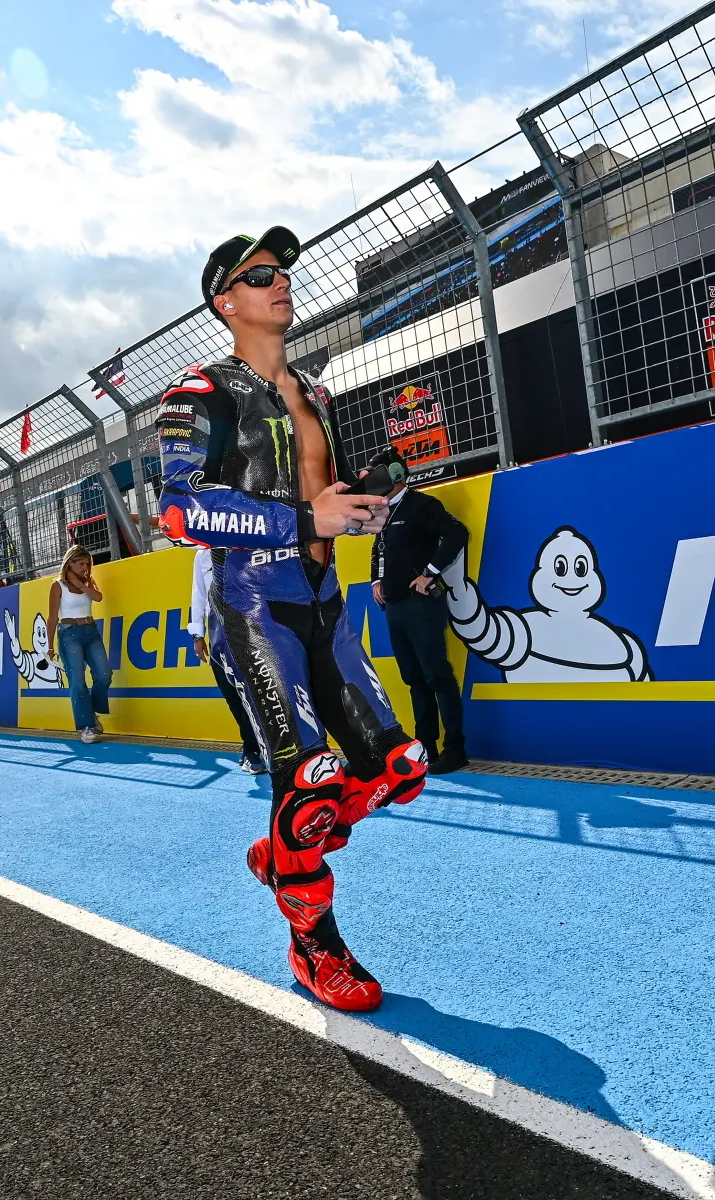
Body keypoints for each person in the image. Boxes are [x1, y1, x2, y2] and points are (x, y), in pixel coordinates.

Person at [157, 226, 427, 1012]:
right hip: (254, 606)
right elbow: (178, 511)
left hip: (327, 603)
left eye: (282, 271)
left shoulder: (317, 390)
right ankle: (315, 949)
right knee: (310, 783)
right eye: (259, 275)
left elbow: (324, 501)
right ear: (224, 301)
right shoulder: (196, 393)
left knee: (401, 767)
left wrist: (361, 505)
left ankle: (282, 853)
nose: (280, 281)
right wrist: (305, 518)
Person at [367, 446, 471, 773]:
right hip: (395, 608)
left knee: (436, 676)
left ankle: (455, 750)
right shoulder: (383, 513)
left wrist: (429, 574)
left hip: (421, 606)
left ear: (395, 474)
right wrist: (376, 580)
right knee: (414, 679)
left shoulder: (422, 505)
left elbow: (457, 533)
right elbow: (379, 549)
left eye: (377, 474)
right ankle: (425, 746)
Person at [187, 546, 264, 774]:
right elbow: (198, 594)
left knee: (250, 689)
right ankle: (250, 743)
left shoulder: (245, 545)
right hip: (217, 628)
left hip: (248, 623)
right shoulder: (202, 555)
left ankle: (253, 749)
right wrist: (197, 635)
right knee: (230, 690)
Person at [50, 544, 110, 743]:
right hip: (69, 633)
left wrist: (82, 584)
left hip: (91, 631)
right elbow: (52, 617)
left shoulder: (88, 581)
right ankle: (87, 726)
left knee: (104, 674)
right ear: (70, 563)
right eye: (81, 564)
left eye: (87, 564)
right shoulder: (57, 585)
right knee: (77, 680)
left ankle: (91, 712)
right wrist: (49, 647)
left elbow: (98, 597)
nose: (85, 567)